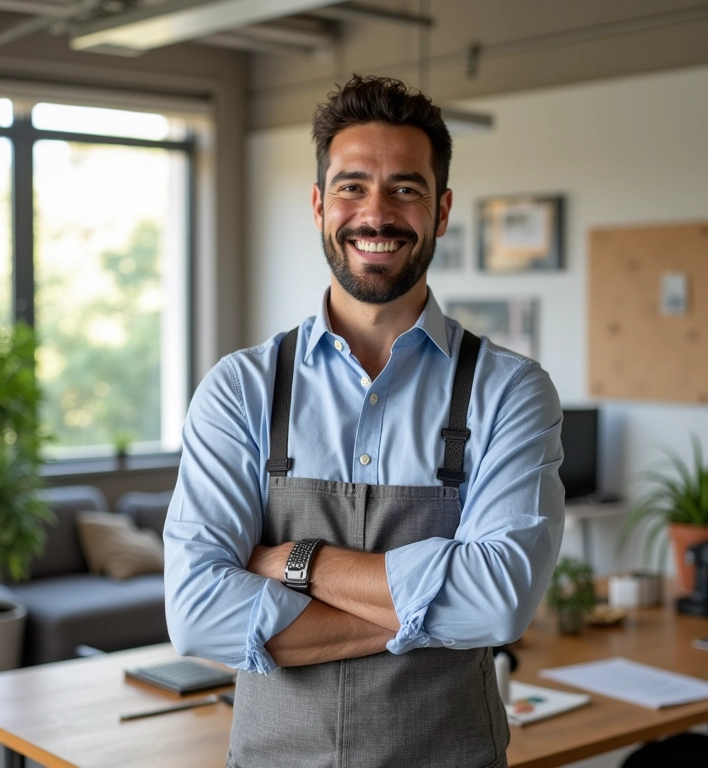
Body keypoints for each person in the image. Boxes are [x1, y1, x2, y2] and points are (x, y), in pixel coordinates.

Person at [164, 74, 565, 768]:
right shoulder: (240, 390)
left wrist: (294, 562)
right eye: (352, 187)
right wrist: (433, 611)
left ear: (440, 212)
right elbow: (198, 613)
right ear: (320, 205)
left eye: (404, 189)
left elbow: (497, 608)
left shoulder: (510, 392)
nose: (375, 215)